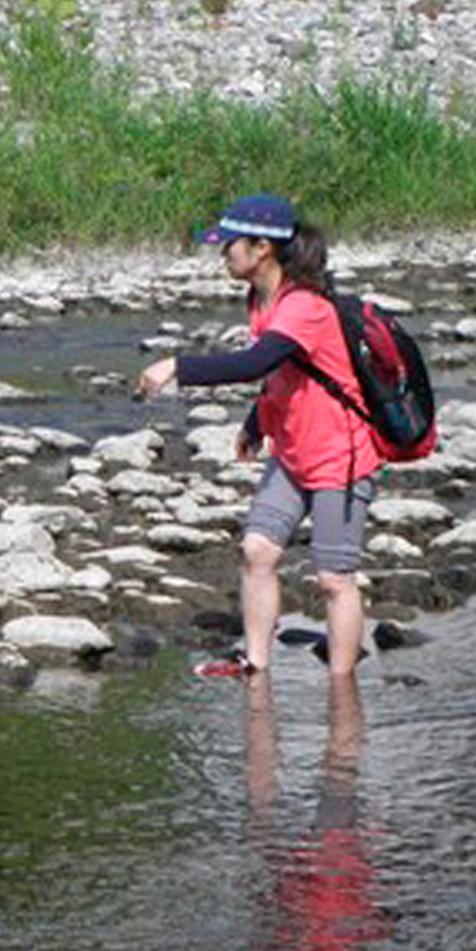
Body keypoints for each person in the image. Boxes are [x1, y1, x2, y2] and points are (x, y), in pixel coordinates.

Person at [138, 195, 381, 677]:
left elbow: (255, 363)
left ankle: (342, 691)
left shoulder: (304, 305)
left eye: (230, 244)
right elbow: (285, 373)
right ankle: (255, 664)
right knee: (257, 551)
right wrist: (256, 422)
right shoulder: (260, 298)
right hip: (292, 453)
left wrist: (176, 366)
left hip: (341, 456)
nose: (222, 252)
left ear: (262, 248)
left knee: (334, 579)